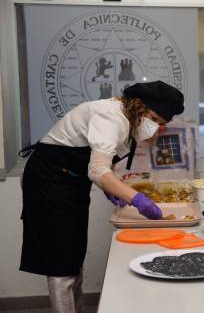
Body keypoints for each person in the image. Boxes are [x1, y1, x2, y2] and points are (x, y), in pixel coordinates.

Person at [19, 80, 184, 312]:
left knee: (73, 254)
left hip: (72, 181)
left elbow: (101, 161)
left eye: (160, 123)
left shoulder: (127, 118)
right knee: (60, 261)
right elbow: (97, 170)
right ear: (139, 106)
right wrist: (136, 198)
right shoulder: (111, 116)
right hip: (48, 181)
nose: (154, 126)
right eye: (154, 118)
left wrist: (111, 187)